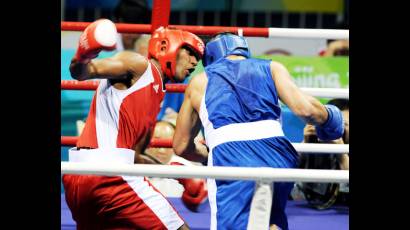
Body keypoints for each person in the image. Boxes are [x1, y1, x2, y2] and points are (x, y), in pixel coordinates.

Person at [172, 33, 344, 230]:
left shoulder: (199, 82)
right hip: (278, 155)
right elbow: (306, 109)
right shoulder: (272, 67)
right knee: (272, 220)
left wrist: (207, 155)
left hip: (230, 158)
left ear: (210, 57)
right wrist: (332, 121)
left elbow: (181, 145)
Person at [62, 18, 205, 229]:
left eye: (198, 58)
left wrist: (175, 174)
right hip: (110, 175)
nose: (194, 62)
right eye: (190, 53)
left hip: (78, 179)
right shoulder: (140, 65)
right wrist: (84, 53)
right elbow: (83, 72)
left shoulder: (156, 95)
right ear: (166, 46)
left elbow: (134, 156)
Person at [298, 99, 349, 209]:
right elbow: (286, 175)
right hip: (306, 209)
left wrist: (342, 154)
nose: (338, 129)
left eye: (344, 124)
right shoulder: (314, 142)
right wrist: (305, 144)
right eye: (332, 124)